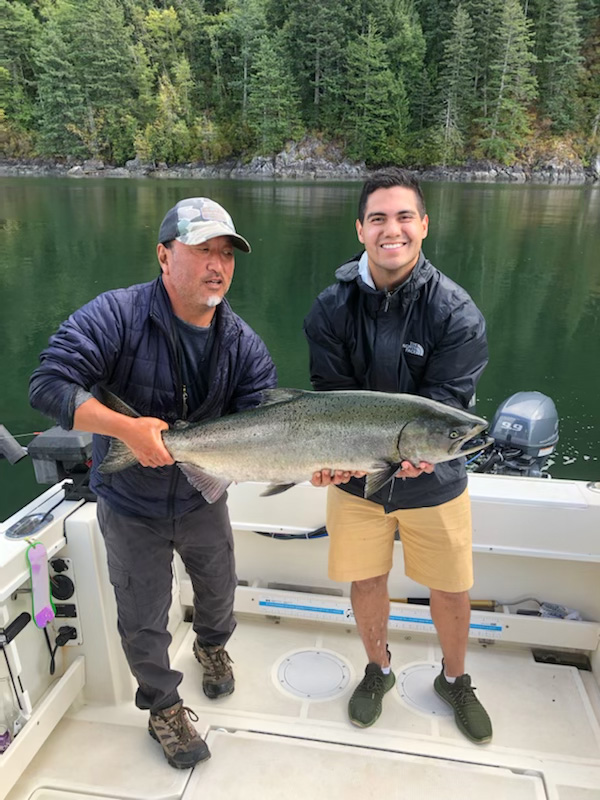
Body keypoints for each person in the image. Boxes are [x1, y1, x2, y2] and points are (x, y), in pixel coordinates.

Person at [29, 197, 277, 769]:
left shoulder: (241, 343)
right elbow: (48, 383)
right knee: (143, 613)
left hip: (203, 495)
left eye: (226, 254)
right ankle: (163, 706)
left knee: (219, 589)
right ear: (164, 256)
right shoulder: (116, 316)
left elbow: (266, 419)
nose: (217, 265)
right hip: (129, 503)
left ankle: (213, 649)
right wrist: (124, 430)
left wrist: (308, 460)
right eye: (201, 251)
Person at [304, 168, 492, 744]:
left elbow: (445, 410)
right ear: (360, 229)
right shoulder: (330, 308)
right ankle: (377, 668)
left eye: (405, 216)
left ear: (424, 225)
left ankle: (455, 679)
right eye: (379, 218)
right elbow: (327, 402)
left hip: (434, 479)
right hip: (357, 481)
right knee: (367, 580)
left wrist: (419, 455)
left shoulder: (457, 314)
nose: (393, 229)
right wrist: (331, 458)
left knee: (451, 587)